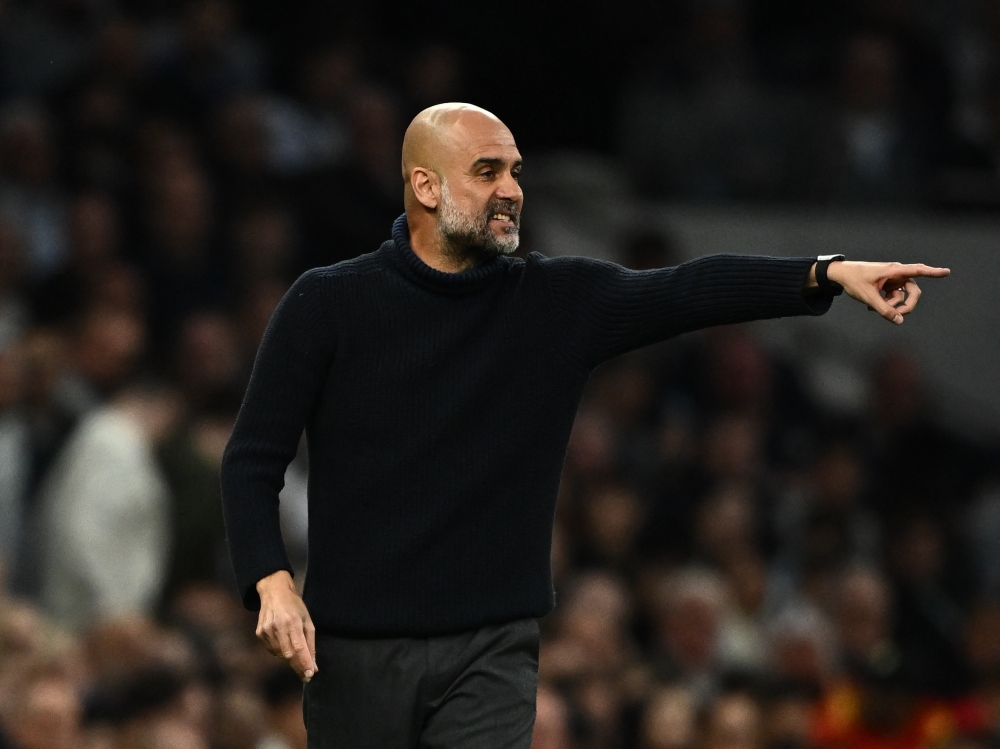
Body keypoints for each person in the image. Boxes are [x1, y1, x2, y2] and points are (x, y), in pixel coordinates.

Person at [220, 102, 949, 748]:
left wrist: (825, 272)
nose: (511, 190)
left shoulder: (555, 301)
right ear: (425, 186)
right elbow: (253, 459)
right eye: (486, 171)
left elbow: (688, 289)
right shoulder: (328, 303)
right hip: (352, 651)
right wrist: (272, 580)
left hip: (492, 648)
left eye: (514, 171)